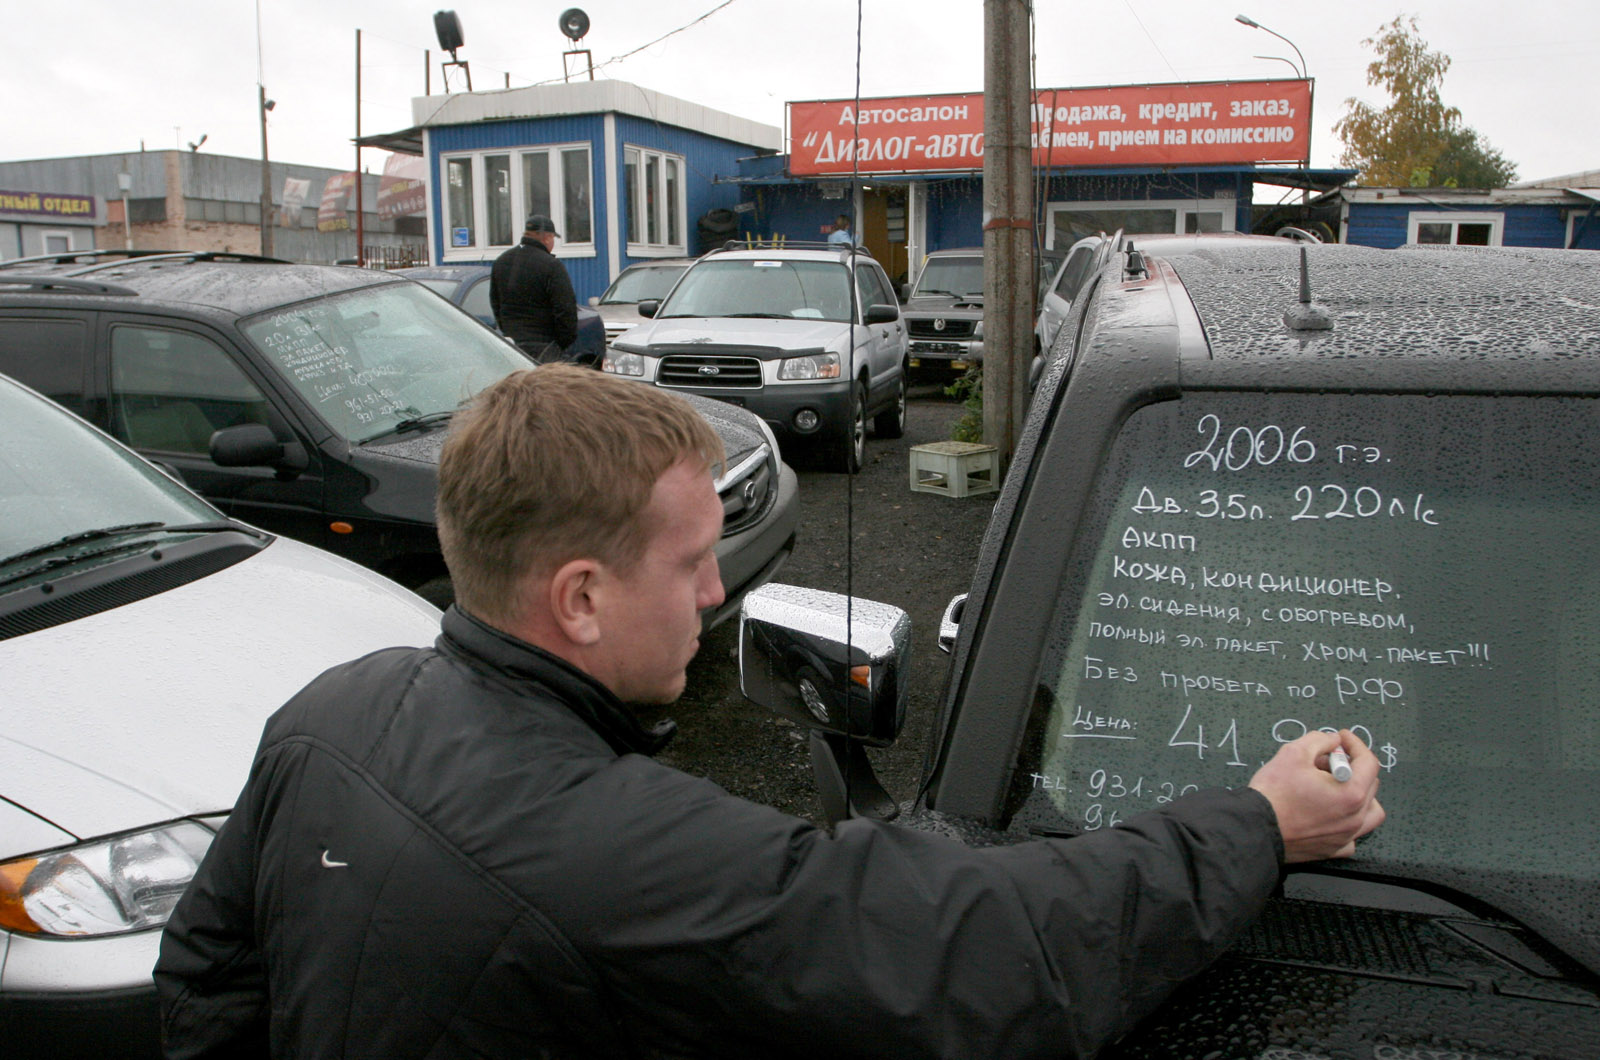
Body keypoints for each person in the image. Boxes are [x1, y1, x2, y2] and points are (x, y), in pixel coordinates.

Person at [154, 365, 1385, 1060]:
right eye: (691, 561)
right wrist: (1257, 821)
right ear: (578, 598)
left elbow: (207, 977)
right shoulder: (626, 849)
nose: (715, 591)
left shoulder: (328, 711)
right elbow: (992, 948)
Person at [489, 213, 579, 363]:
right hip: (544, 348)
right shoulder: (551, 266)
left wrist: (508, 332)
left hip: (510, 348)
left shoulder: (501, 261)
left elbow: (495, 302)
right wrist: (560, 344)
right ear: (547, 238)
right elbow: (566, 310)